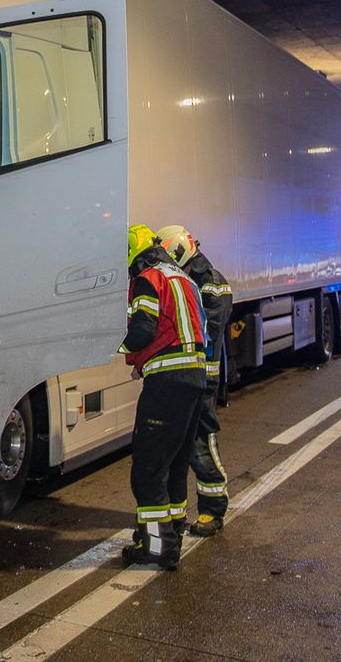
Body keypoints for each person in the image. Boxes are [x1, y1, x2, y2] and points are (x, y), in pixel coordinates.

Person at [120, 224, 207, 568]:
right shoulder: (182, 278)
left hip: (166, 381)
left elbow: (143, 329)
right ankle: (170, 536)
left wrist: (113, 346)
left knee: (148, 469)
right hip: (194, 378)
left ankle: (156, 548)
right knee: (174, 465)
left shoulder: (148, 279)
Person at [154, 225, 233, 537]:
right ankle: (175, 514)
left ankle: (213, 508)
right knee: (177, 445)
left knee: (201, 442)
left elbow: (206, 330)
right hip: (186, 376)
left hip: (202, 379)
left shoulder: (213, 286)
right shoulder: (187, 281)